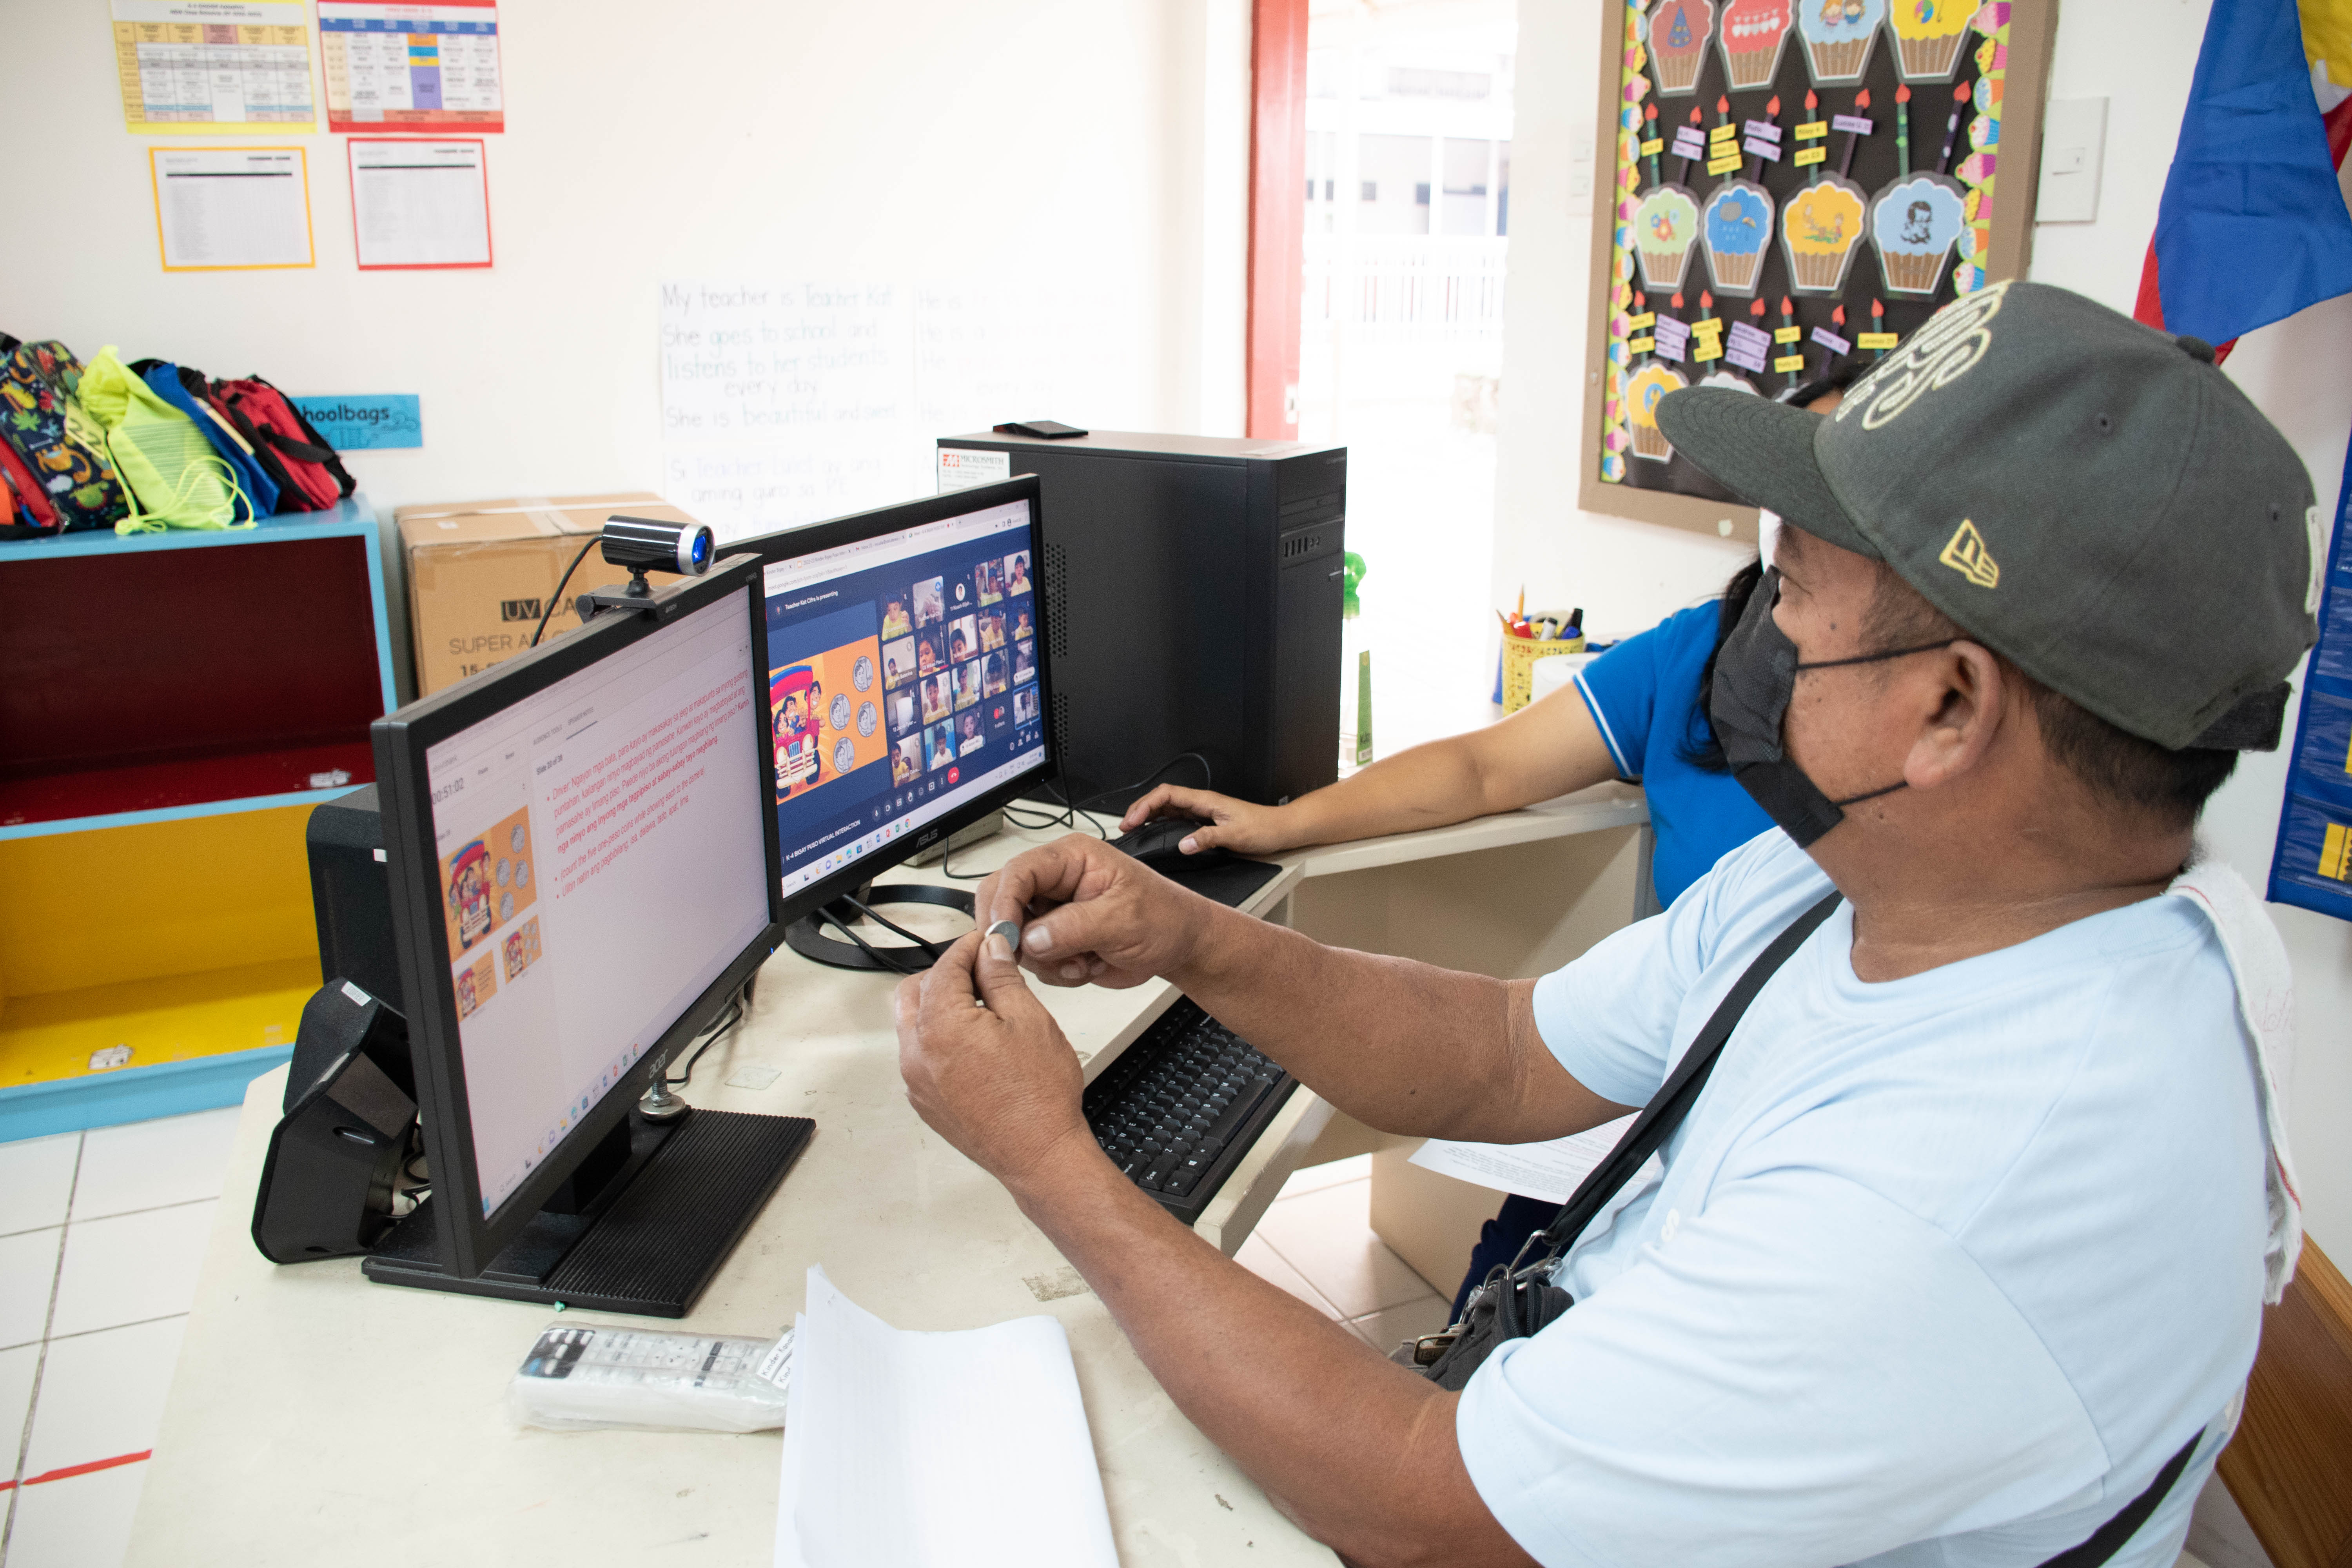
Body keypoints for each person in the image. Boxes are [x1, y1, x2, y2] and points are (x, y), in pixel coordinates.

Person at [895, 283, 2308, 1565]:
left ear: (1948, 706)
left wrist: (1050, 1159)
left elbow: (1420, 1504)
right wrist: (1195, 940)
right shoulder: (1870, 884)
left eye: (1797, 596)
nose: (1755, 633)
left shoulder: (1964, 1194)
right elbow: (1508, 1052)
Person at [1122, 371, 1855, 1316]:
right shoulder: (1713, 703)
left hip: (1739, 1198)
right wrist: (1283, 823)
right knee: (1494, 1287)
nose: (1790, 531)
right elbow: (1486, 774)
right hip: (1645, 1119)